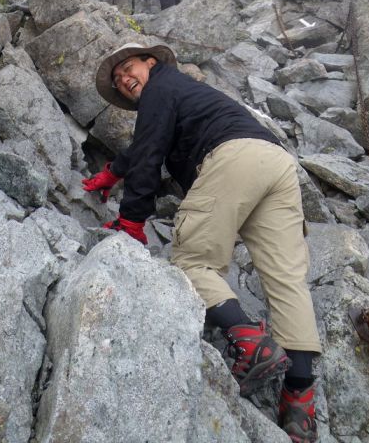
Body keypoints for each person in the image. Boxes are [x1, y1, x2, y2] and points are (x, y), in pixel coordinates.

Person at [83, 42, 321, 442]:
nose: (124, 80)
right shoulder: (178, 91)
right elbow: (145, 145)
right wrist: (112, 171)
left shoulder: (160, 87)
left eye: (128, 68)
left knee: (192, 262)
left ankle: (252, 344)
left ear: (151, 62)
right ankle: (299, 401)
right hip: (275, 164)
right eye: (119, 81)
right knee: (285, 279)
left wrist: (131, 223)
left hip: (231, 158)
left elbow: (148, 155)